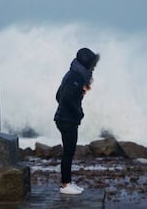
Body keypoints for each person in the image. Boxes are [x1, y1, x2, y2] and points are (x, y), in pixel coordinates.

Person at [54, 47, 100, 195]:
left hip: (66, 119)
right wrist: (78, 112)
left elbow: (58, 96)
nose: (94, 66)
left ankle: (67, 182)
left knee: (69, 151)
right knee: (68, 152)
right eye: (92, 63)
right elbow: (65, 98)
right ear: (86, 63)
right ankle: (65, 185)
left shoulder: (76, 75)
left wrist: (81, 92)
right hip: (66, 120)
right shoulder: (74, 77)